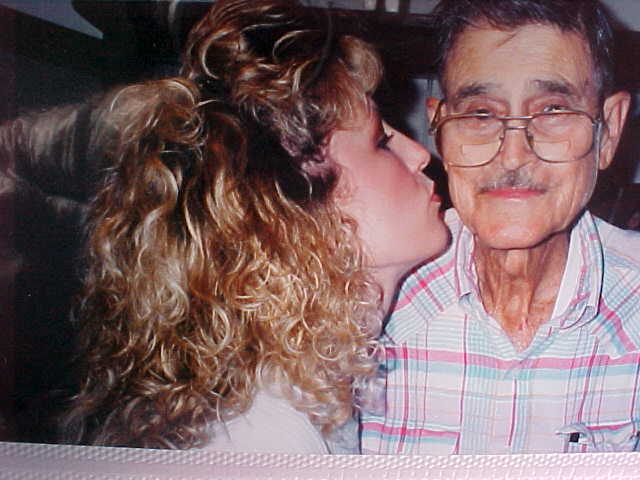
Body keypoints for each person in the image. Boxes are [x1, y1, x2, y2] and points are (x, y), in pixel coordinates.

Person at [42, 0, 448, 453]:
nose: (420, 154)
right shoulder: (263, 436)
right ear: (296, 210)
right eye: (380, 143)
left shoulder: (288, 395)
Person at [361, 0, 640, 455]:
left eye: (552, 110)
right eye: (480, 114)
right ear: (439, 130)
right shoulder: (357, 306)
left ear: (607, 131)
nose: (512, 156)